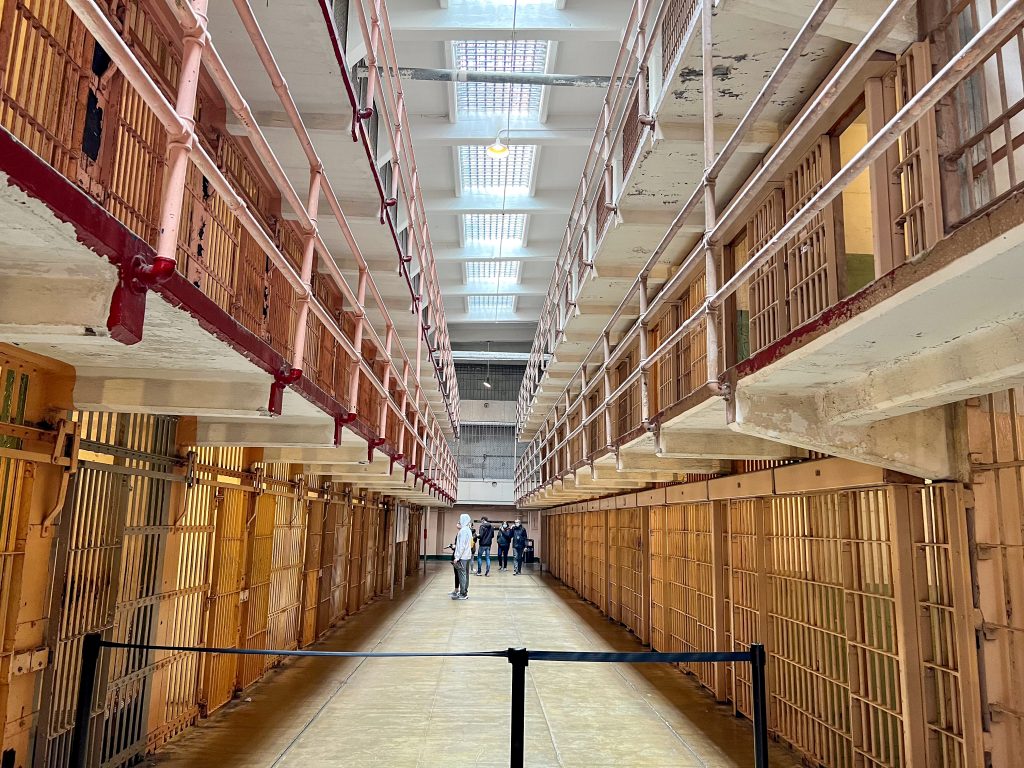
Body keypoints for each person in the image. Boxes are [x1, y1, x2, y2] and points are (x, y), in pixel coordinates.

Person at [451, 513, 473, 600]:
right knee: (466, 574)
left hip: (462, 557)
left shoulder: (463, 531)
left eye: (460, 519)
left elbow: (462, 545)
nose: (459, 521)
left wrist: (457, 557)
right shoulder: (468, 530)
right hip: (467, 556)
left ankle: (463, 593)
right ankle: (465, 591)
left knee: (462, 575)